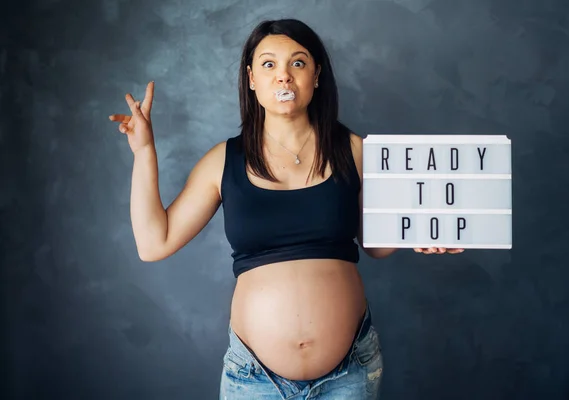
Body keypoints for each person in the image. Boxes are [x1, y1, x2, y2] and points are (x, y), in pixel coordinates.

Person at [109, 18, 463, 400]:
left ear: (316, 75)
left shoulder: (356, 151)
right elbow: (153, 243)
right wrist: (144, 152)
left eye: (297, 63)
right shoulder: (222, 161)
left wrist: (420, 232)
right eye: (268, 64)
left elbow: (376, 245)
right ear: (251, 79)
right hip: (254, 381)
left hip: (349, 376)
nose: (283, 77)